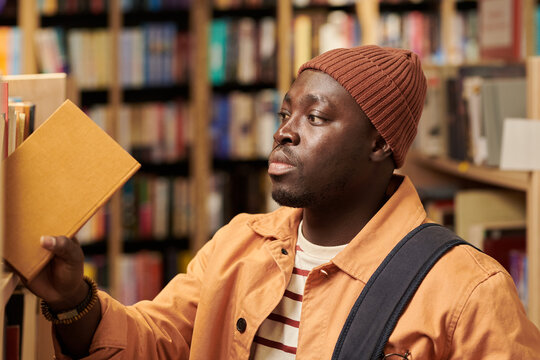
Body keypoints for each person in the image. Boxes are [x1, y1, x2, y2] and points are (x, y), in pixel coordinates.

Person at [27, 45, 540, 359]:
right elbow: (154, 344)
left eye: (315, 118)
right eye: (285, 113)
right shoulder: (237, 245)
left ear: (381, 144)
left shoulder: (469, 291)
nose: (284, 133)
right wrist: (74, 303)